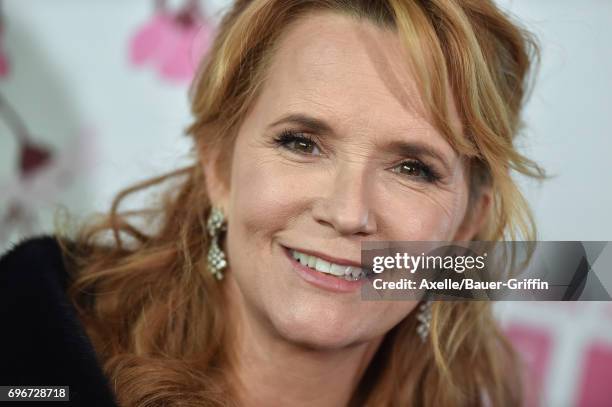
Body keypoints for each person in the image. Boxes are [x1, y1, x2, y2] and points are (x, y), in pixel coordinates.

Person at [0, 0, 546, 406]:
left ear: (469, 222)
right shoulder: (29, 347)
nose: (348, 212)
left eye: (413, 168)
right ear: (219, 166)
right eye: (301, 143)